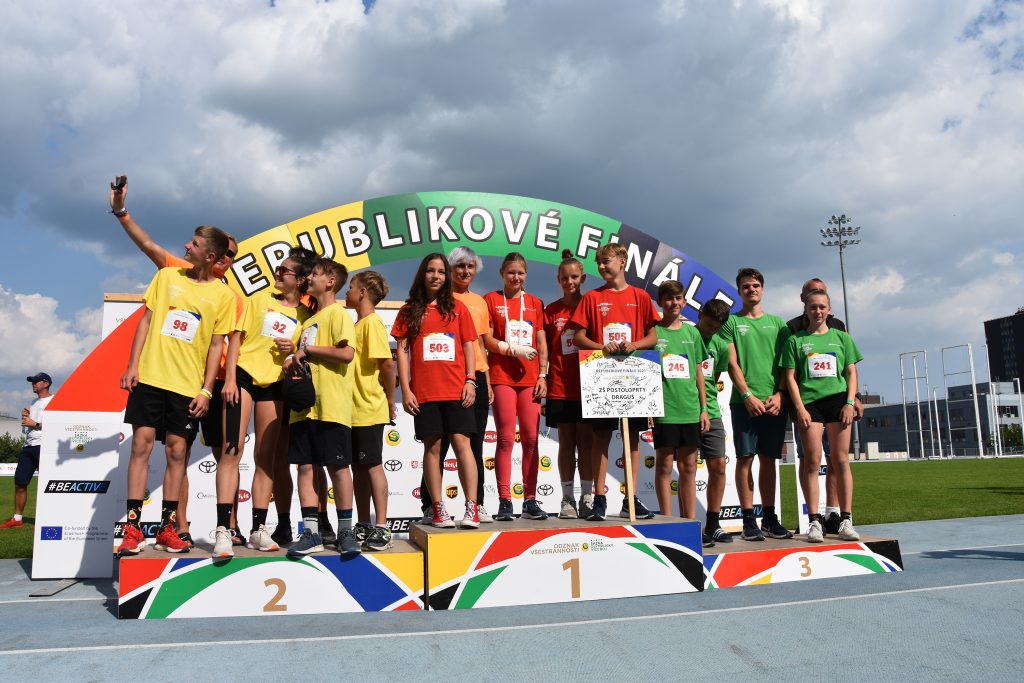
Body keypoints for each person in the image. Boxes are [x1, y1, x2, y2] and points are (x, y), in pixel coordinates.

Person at [110, 175, 245, 548]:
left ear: (211, 257)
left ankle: (168, 527)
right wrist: (133, 365)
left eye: (195, 244)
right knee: (140, 446)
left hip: (186, 386)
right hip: (151, 377)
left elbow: (217, 347)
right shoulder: (168, 275)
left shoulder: (224, 296)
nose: (187, 245)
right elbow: (145, 322)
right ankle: (133, 529)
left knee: (177, 452)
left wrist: (206, 390)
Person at [218, 247, 318, 556]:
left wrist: (293, 350)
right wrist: (230, 379)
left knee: (265, 456)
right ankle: (223, 530)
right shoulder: (258, 299)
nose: (277, 273)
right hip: (244, 377)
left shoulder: (306, 317)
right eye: (278, 268)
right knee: (231, 450)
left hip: (275, 385)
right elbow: (235, 340)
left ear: (300, 280)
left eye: (283, 270)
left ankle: (258, 529)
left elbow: (304, 356)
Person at [569, 242, 658, 521]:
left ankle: (631, 498)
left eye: (606, 261)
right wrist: (602, 347)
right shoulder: (592, 298)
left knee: (633, 438)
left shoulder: (641, 296)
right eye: (599, 263)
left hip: (634, 377)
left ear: (622, 261)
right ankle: (599, 497)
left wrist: (634, 345)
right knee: (600, 437)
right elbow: (578, 337)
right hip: (603, 377)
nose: (602, 267)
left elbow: (653, 337)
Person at [392, 253, 480, 529]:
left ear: (446, 276)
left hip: (457, 389)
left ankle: (472, 507)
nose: (436, 276)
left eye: (441, 272)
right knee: (433, 448)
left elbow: (468, 345)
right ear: (423, 273)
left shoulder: (458, 308)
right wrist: (406, 389)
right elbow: (402, 351)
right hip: (425, 392)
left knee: (463, 444)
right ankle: (438, 507)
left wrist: (470, 380)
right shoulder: (409, 310)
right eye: (431, 270)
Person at [284, 259, 359, 556]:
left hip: (332, 405)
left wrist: (308, 350)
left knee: (338, 467)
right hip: (304, 407)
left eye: (315, 274)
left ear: (330, 282)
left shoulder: (338, 314)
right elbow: (302, 356)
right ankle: (311, 533)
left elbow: (347, 353)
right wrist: (292, 360)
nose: (309, 278)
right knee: (305, 467)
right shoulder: (307, 322)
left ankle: (345, 531)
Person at [418, 246, 494, 524]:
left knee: (473, 444)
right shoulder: (441, 298)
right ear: (450, 269)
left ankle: (477, 504)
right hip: (446, 379)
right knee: (436, 444)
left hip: (475, 377)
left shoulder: (478, 302)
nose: (465, 271)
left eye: (470, 266)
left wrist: (485, 380)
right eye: (460, 266)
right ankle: (431, 505)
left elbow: (480, 343)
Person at [782, 289, 863, 543]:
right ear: (806, 309)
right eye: (813, 307)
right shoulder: (795, 341)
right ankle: (815, 521)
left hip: (838, 402)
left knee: (840, 460)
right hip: (810, 405)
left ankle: (846, 520)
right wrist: (800, 408)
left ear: (829, 309)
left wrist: (850, 402)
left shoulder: (842, 338)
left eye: (822, 307)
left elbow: (851, 372)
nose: (817, 311)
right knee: (812, 461)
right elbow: (790, 378)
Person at [721, 267, 792, 541]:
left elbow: (786, 365)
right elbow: (732, 364)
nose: (751, 289)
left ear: (762, 289)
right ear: (739, 291)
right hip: (744, 403)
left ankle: (770, 519)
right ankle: (748, 520)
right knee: (745, 459)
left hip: (774, 402)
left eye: (755, 285)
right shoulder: (731, 323)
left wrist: (780, 394)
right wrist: (747, 395)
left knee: (769, 460)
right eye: (745, 286)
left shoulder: (778, 324)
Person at [482, 252, 549, 521]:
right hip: (502, 377)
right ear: (502, 273)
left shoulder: (535, 303)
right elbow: (486, 340)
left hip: (530, 379)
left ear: (526, 274)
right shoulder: (491, 300)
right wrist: (511, 349)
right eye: (511, 272)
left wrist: (543, 375)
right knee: (506, 438)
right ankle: (505, 501)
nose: (516, 277)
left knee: (531, 439)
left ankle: (530, 500)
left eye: (520, 273)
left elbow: (541, 343)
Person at [641, 281, 709, 523]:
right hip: (665, 409)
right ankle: (667, 521)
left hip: (690, 409)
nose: (674, 303)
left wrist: (704, 408)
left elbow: (699, 372)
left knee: (689, 468)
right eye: (669, 298)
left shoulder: (693, 333)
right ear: (660, 302)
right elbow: (646, 370)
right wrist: (649, 406)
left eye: (678, 298)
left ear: (685, 301)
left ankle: (689, 522)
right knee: (664, 466)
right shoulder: (653, 332)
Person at [345, 270, 397, 551]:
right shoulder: (356, 324)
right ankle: (364, 523)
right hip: (351, 409)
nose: (347, 292)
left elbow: (386, 364)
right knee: (358, 467)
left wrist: (390, 399)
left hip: (369, 407)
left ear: (363, 292)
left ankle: (382, 526)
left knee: (373, 465)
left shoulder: (372, 323)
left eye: (351, 286)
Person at [544, 250, 593, 519]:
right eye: (565, 277)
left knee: (586, 442)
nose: (569, 281)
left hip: (588, 385)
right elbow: (545, 350)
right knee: (566, 442)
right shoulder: (551, 311)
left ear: (582, 278)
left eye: (574, 277)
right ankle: (567, 499)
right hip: (560, 384)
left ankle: (587, 496)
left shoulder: (591, 305)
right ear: (558, 279)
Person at [693, 299, 734, 547]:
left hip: (711, 411)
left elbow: (713, 378)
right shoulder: (687, 336)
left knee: (718, 466)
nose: (710, 331)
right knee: (685, 468)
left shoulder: (720, 345)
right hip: (686, 410)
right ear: (700, 315)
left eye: (716, 328)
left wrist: (706, 407)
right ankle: (683, 524)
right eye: (708, 325)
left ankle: (713, 523)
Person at [1, 374, 54, 530]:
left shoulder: (55, 400)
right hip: (28, 446)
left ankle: (48, 519)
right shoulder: (33, 403)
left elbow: (58, 425)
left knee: (47, 485)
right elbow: (27, 429)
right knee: (20, 483)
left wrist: (35, 423)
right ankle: (17, 519)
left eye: (36, 381)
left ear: (46, 383)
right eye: (32, 382)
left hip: (44, 446)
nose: (33, 384)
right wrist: (25, 418)